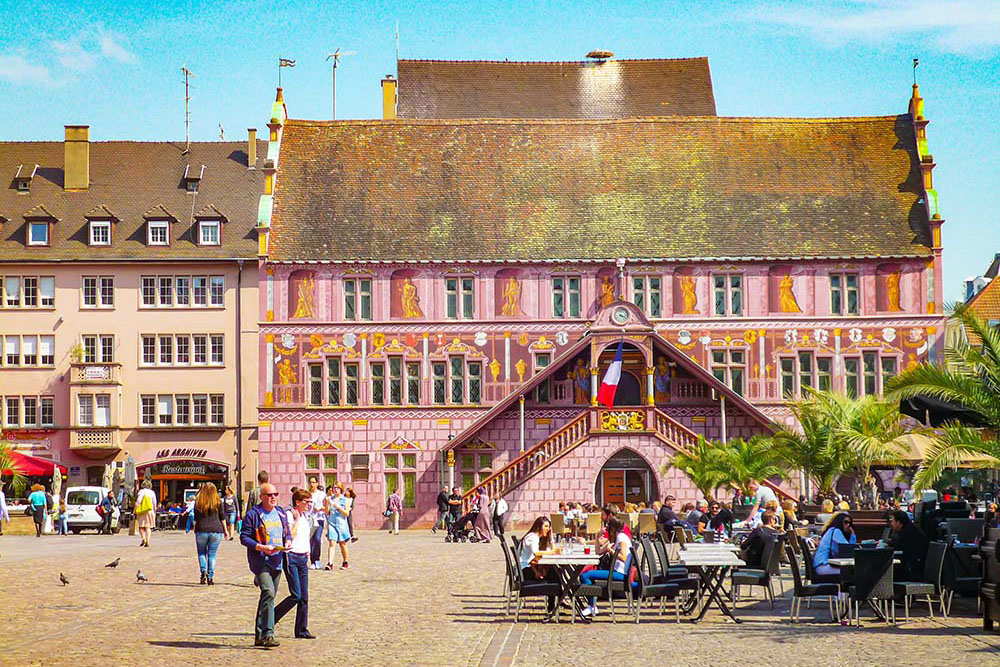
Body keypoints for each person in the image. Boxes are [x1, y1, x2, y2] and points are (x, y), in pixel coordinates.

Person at [240, 483, 291, 648]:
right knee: (268, 592)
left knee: (268, 597)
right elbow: (244, 537)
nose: (273, 497)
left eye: (275, 494)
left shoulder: (281, 513)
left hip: (277, 560)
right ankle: (268, 634)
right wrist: (261, 547)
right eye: (269, 495)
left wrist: (288, 540)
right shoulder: (253, 515)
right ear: (261, 497)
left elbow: (287, 531)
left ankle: (259, 635)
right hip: (261, 561)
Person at [274, 488, 316, 639]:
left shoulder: (306, 516)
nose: (309, 504)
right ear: (297, 502)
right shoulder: (289, 515)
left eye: (310, 502)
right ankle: (271, 617)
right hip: (291, 557)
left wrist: (308, 551)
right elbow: (290, 534)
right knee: (296, 594)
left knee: (304, 596)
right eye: (306, 502)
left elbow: (306, 536)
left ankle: (301, 629)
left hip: (302, 557)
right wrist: (297, 519)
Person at [580, 517, 632, 618]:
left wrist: (611, 551)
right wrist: (597, 537)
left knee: (585, 576)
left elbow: (624, 557)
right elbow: (598, 552)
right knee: (586, 575)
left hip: (621, 573)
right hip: (616, 571)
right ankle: (592, 604)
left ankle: (592, 605)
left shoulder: (621, 538)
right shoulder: (616, 538)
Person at [518, 516, 560, 619]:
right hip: (523, 572)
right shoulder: (533, 537)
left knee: (554, 572)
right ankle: (556, 604)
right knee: (554, 574)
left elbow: (534, 558)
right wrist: (552, 552)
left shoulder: (535, 537)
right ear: (539, 526)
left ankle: (556, 604)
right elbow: (536, 553)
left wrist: (550, 538)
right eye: (545, 526)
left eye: (548, 527)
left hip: (528, 568)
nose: (547, 529)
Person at [192, 483, 227, 584]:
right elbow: (222, 517)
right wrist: (226, 531)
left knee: (201, 552)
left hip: (201, 529)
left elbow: (196, 518)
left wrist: (195, 528)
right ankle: (210, 577)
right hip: (216, 530)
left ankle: (203, 572)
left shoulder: (198, 502)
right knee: (212, 554)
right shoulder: (218, 502)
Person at [888, 510, 928, 581]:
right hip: (915, 566)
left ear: (898, 522)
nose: (891, 524)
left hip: (912, 570)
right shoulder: (911, 528)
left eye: (893, 521)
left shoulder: (907, 532)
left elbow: (898, 548)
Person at [813, 512, 857, 577]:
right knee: (853, 572)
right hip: (822, 566)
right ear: (839, 522)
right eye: (846, 522)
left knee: (851, 571)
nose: (848, 525)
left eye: (849, 523)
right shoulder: (836, 531)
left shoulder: (831, 530)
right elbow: (848, 549)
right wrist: (853, 535)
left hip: (823, 565)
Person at [324, 484, 351, 570]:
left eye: (337, 488)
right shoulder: (330, 499)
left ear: (341, 489)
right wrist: (327, 504)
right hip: (332, 523)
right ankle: (330, 563)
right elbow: (327, 513)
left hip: (341, 523)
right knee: (332, 543)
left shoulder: (345, 500)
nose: (335, 490)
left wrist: (338, 507)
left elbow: (347, 513)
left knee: (342, 544)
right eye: (334, 488)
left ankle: (345, 561)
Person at [307, 478, 326, 570]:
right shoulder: (307, 494)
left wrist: (320, 509)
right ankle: (312, 561)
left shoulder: (322, 494)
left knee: (317, 539)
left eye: (314, 482)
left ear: (317, 483)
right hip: (310, 519)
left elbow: (327, 507)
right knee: (311, 540)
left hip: (319, 519)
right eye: (310, 482)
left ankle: (317, 559)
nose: (312, 484)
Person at [134, 480, 157, 547]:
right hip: (150, 510)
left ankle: (143, 538)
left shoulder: (141, 491)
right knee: (148, 527)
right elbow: (154, 503)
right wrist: (154, 511)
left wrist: (134, 510)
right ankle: (148, 540)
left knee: (141, 526)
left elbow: (138, 501)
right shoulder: (152, 492)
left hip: (142, 511)